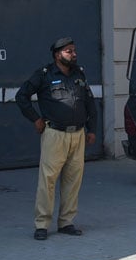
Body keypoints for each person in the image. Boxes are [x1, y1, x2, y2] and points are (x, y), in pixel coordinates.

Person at [15, 37, 97, 241]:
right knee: (48, 181)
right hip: (55, 135)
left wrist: (92, 129)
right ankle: (42, 224)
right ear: (57, 55)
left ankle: (66, 222)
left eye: (74, 50)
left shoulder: (79, 74)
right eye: (69, 51)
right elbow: (21, 96)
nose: (74, 54)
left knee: (73, 180)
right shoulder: (44, 75)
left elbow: (89, 103)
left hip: (77, 135)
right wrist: (35, 119)